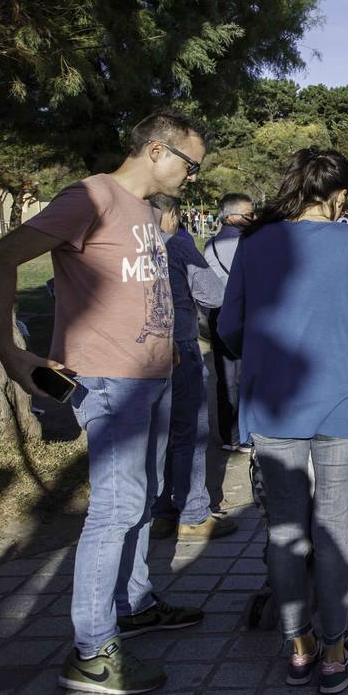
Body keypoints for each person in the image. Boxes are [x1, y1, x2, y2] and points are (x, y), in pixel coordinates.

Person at [0, 110, 208, 695]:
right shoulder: (90, 196)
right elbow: (1, 257)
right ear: (158, 151)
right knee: (116, 507)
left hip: (153, 378)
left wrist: (171, 353)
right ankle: (91, 651)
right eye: (190, 166)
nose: (193, 178)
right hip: (109, 381)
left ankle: (132, 603)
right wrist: (11, 352)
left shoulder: (141, 211)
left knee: (140, 501)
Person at [217, 147, 348, 693]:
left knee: (285, 531)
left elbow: (228, 326)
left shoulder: (255, 241)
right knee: (332, 526)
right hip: (338, 402)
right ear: (339, 194)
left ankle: (299, 648)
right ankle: (336, 655)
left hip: (271, 403)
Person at [148, 195, 234, 541]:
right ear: (171, 212)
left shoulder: (131, 243)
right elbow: (212, 294)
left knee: (157, 436)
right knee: (189, 433)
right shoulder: (179, 244)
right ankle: (194, 513)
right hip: (180, 345)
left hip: (142, 350)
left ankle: (161, 511)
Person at [206, 193, 254, 454]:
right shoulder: (252, 244)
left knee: (225, 378)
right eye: (249, 212)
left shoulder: (209, 245)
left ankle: (230, 435)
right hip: (248, 315)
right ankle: (248, 433)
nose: (253, 217)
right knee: (249, 376)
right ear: (232, 216)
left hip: (218, 315)